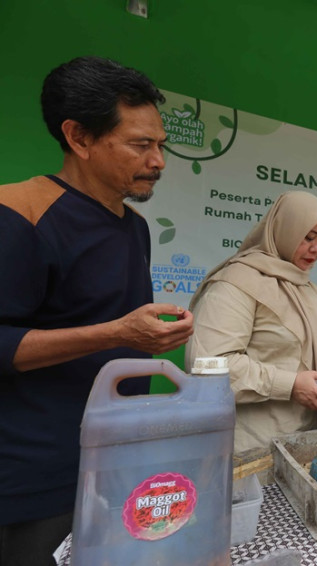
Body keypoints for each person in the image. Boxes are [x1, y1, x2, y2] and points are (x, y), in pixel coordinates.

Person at [0, 56, 194, 565]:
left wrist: (144, 334)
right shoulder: (18, 212)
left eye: (161, 145)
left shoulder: (135, 226)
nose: (159, 160)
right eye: (140, 145)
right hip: (38, 480)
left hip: (118, 462)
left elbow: (120, 333)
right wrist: (116, 332)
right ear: (80, 138)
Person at [186, 190, 317, 455]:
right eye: (309, 237)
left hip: (307, 445)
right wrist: (288, 385)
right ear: (284, 230)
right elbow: (207, 366)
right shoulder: (236, 283)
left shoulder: (309, 290)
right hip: (251, 452)